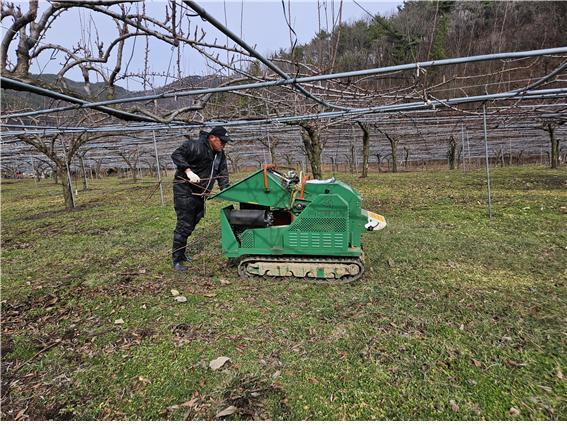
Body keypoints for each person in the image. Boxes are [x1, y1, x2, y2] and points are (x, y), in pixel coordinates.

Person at [170, 126, 231, 271]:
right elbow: (176, 154)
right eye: (221, 142)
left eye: (225, 143)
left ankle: (182, 253)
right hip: (185, 191)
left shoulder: (220, 155)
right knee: (184, 224)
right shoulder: (195, 146)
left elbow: (222, 174)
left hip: (200, 194)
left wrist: (227, 189)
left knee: (194, 221)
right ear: (212, 138)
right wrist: (188, 171)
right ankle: (176, 259)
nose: (223, 145)